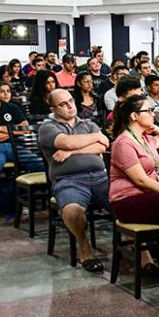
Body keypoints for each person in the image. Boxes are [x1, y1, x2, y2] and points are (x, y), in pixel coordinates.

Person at [39, 89, 111, 273]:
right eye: (63, 104)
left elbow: (104, 145)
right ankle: (85, 249)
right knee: (72, 210)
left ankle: (143, 255)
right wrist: (96, 138)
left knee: (127, 201)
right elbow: (68, 142)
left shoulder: (87, 124)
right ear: (53, 108)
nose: (70, 105)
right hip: (68, 180)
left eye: (71, 100)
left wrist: (72, 152)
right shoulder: (48, 127)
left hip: (100, 176)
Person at [109, 95, 159, 274]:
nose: (152, 113)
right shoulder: (123, 143)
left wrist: (154, 126)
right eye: (148, 111)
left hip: (147, 197)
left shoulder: (146, 139)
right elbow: (141, 180)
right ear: (134, 116)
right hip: (128, 201)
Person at [0, 76, 43, 215]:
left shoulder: (12, 107)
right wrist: (12, 131)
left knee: (42, 165)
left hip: (15, 147)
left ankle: (34, 198)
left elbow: (25, 129)